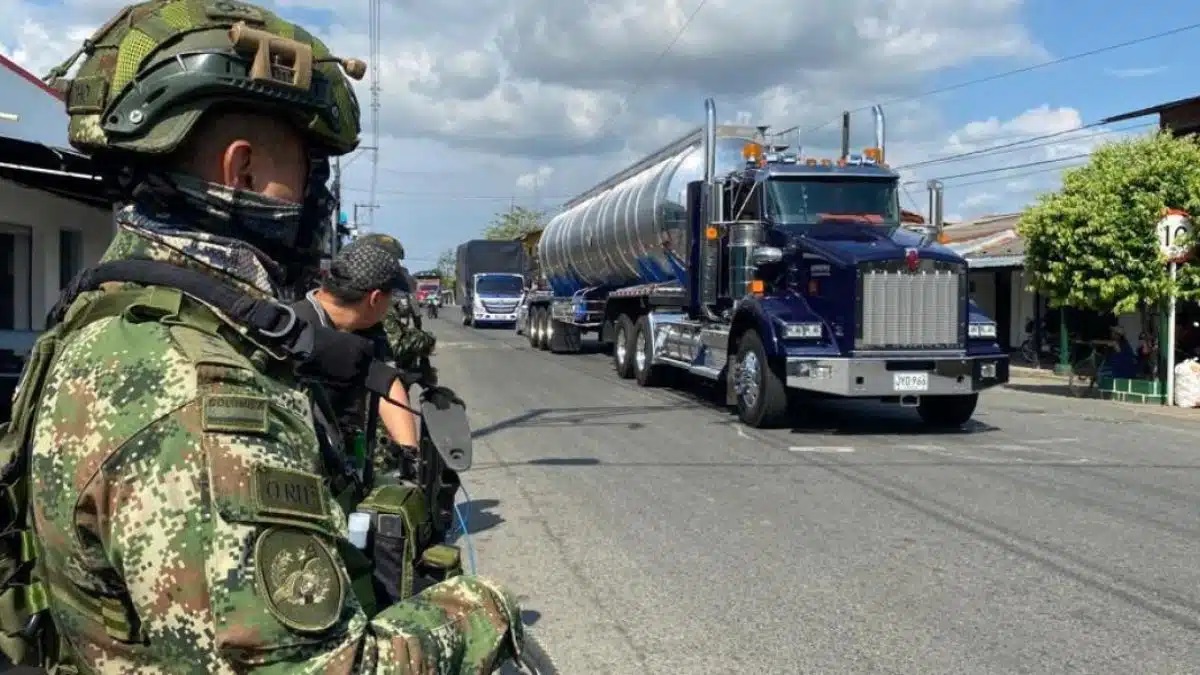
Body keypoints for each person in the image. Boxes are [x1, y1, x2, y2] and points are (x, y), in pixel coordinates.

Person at [14, 2, 521, 671]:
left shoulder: (108, 311)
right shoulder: (194, 388)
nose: (319, 195)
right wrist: (478, 611)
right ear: (242, 169)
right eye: (310, 166)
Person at [293, 233, 419, 453]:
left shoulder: (366, 328)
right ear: (376, 299)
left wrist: (409, 453)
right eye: (391, 298)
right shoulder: (293, 327)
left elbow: (385, 381)